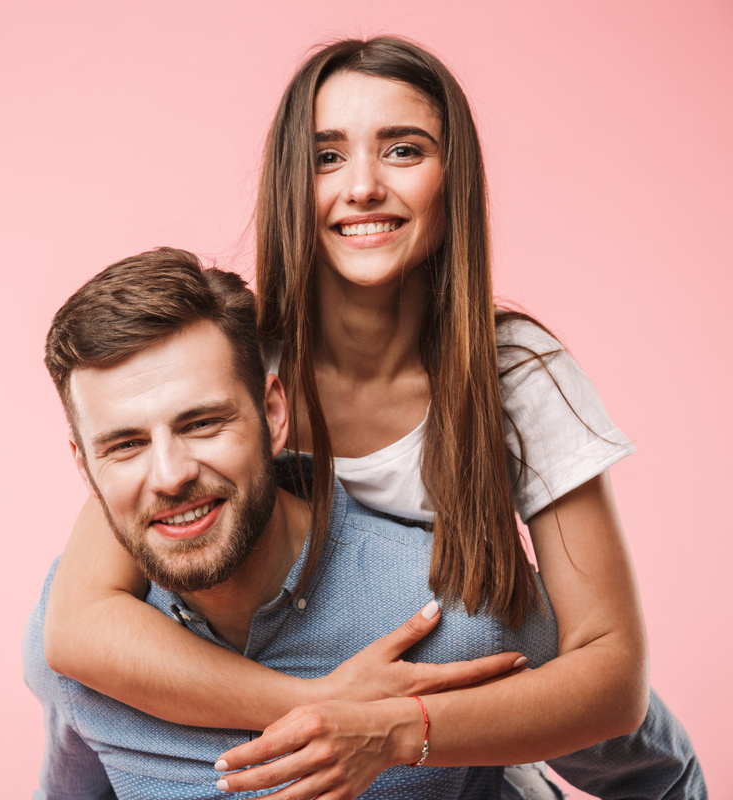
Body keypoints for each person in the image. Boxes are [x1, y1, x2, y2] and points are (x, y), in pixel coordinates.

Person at [41, 37, 705, 798]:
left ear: (452, 179)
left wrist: (399, 726)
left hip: (473, 680)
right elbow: (77, 624)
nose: (362, 187)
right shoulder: (244, 363)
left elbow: (612, 677)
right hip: (324, 662)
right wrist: (327, 706)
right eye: (327, 157)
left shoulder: (513, 373)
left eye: (403, 150)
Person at [26, 248, 555, 799]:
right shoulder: (77, 651)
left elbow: (644, 762)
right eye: (126, 444)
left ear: (273, 416)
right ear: (85, 466)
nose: (169, 476)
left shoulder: (461, 612)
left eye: (203, 423)